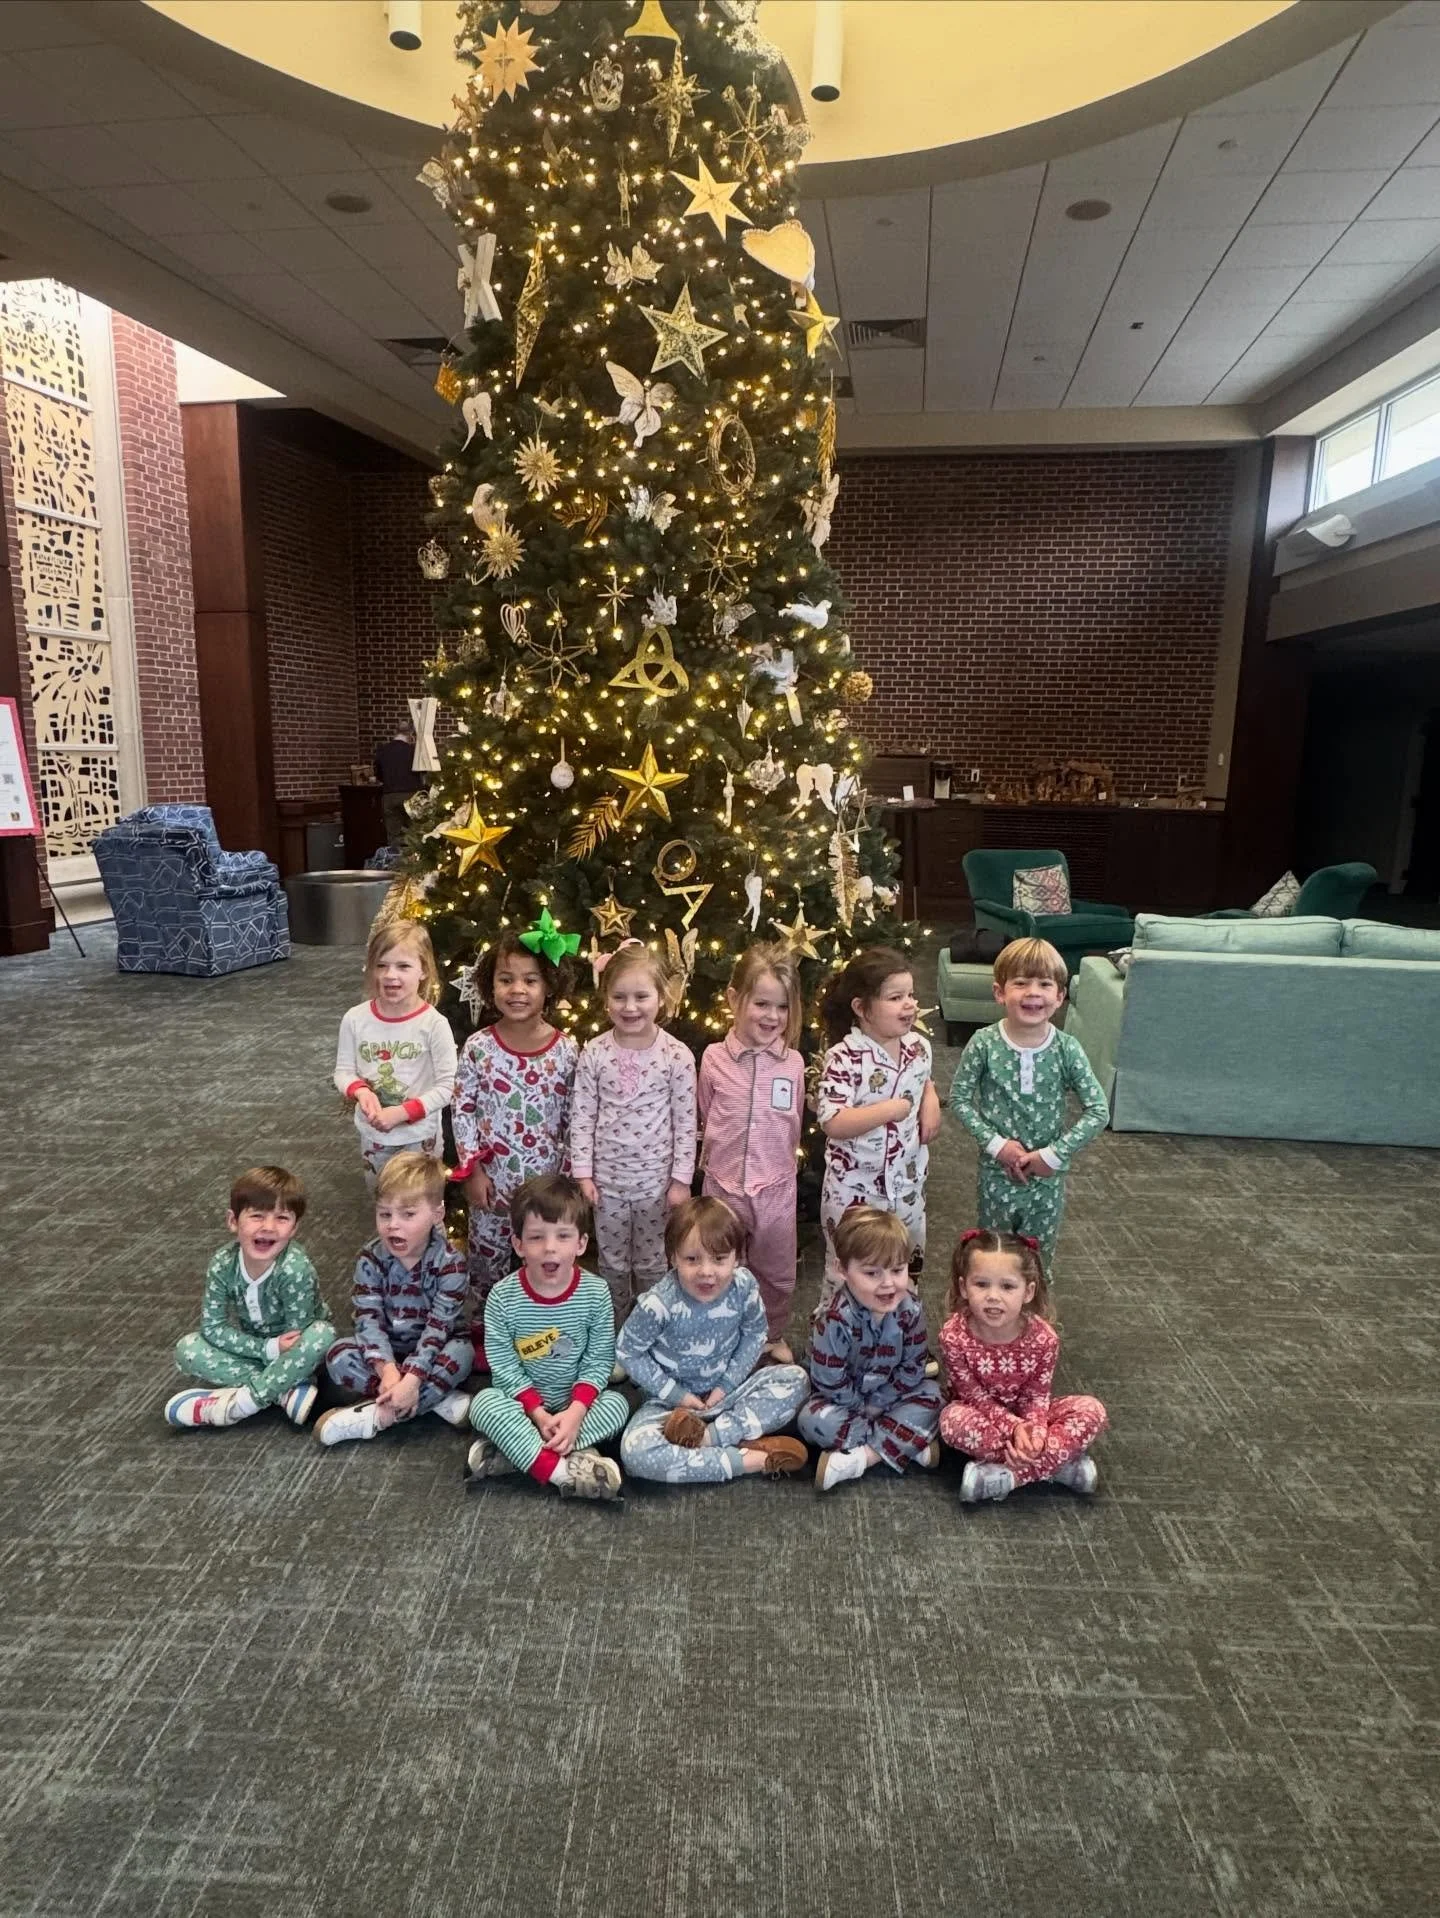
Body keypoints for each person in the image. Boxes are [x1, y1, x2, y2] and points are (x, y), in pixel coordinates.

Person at [616, 1196, 809, 1485]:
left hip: (729, 1394)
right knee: (634, 1452)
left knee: (797, 1379)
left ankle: (708, 1439)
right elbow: (627, 1351)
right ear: (673, 1258)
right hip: (670, 1409)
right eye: (692, 1259)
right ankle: (749, 1460)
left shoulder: (743, 1286)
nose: (706, 1272)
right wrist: (676, 1395)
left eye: (719, 1259)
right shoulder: (657, 1304)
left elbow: (756, 1333)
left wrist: (727, 1384)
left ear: (736, 1258)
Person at [465, 1175, 629, 1500]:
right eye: (537, 1237)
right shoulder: (502, 1298)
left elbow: (597, 1363)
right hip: (522, 1407)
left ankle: (515, 1453)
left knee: (618, 1405)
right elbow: (505, 1368)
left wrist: (576, 1413)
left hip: (577, 1404)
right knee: (483, 1405)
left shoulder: (595, 1293)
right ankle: (561, 1473)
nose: (550, 1247)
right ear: (519, 1245)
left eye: (563, 1236)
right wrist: (537, 1415)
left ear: (581, 1244)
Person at [948, 937, 1109, 1268]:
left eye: (1044, 984)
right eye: (1020, 983)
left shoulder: (1067, 1049)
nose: (1033, 992)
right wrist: (997, 1145)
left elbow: (1098, 1111)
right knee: (992, 1257)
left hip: (1046, 1180)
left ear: (1060, 996)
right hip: (996, 1175)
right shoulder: (983, 1044)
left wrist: (1053, 1154)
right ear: (1000, 992)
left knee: (1037, 1260)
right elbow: (959, 1099)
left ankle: (1035, 1320)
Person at [452, 924, 578, 1316]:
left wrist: (569, 1178)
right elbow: (463, 1108)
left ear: (548, 986)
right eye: (506, 980)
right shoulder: (479, 1047)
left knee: (546, 1258)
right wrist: (472, 1171)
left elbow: (577, 1119)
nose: (517, 990)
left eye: (529, 980)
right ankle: (485, 1329)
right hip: (492, 1186)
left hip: (546, 1186)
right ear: (491, 987)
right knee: (486, 1264)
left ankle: (543, 1323)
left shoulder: (567, 1051)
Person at [569, 942, 697, 1321]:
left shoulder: (677, 1056)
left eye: (641, 996)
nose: (630, 1007)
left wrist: (680, 1180)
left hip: (656, 1185)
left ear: (662, 997)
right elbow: (582, 1117)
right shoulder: (593, 1053)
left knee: (654, 1260)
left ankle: (652, 1325)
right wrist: (583, 1173)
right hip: (606, 1183)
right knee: (611, 1261)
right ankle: (614, 1328)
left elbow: (686, 1123)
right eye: (619, 996)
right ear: (605, 998)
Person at [938, 1227, 1108, 1503]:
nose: (993, 1296)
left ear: (1028, 1291)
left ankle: (1010, 1476)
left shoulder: (1043, 1338)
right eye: (981, 1284)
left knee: (1092, 1410)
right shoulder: (952, 1335)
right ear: (963, 1287)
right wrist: (1014, 1430)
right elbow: (972, 1396)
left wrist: (1035, 1433)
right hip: (981, 1418)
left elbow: (1037, 1397)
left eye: (1007, 1286)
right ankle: (1059, 1467)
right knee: (951, 1421)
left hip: (1031, 1418)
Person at [315, 1152, 473, 1445]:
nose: (393, 1225)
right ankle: (431, 1400)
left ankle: (379, 1416)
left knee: (462, 1354)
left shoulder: (450, 1262)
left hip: (433, 1350)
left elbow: (438, 1328)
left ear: (437, 1215)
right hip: (385, 1355)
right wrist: (387, 1371)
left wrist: (412, 1378)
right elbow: (367, 1320)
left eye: (408, 1214)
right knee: (337, 1355)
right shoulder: (370, 1258)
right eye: (384, 1214)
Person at [697, 943, 806, 1364]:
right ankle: (720, 1335)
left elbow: (793, 1121)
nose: (771, 1017)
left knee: (777, 1272)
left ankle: (771, 1333)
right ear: (733, 999)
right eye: (761, 1003)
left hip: (776, 1186)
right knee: (719, 1267)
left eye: (781, 1007)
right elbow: (707, 1115)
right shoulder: (713, 1059)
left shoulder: (793, 1064)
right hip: (722, 1185)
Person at [815, 946, 941, 1305]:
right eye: (896, 997)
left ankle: (900, 1337)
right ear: (861, 1007)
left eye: (912, 995)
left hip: (907, 1186)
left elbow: (924, 1079)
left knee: (906, 1265)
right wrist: (891, 1109)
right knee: (847, 1271)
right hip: (856, 1193)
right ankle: (834, 1343)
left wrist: (930, 1097)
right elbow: (833, 1120)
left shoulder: (919, 1047)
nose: (910, 1005)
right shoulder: (844, 1057)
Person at [165, 1166, 332, 1429]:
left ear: (295, 1227)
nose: (268, 1227)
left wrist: (279, 1352)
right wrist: (265, 1349)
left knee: (323, 1335)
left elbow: (299, 1335)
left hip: (298, 1355)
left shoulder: (294, 1267)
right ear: (233, 1221)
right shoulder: (223, 1263)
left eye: (281, 1218)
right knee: (187, 1350)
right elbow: (212, 1327)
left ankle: (242, 1403)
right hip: (256, 1350)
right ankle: (283, 1391)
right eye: (256, 1216)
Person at [799, 1205, 942, 1492]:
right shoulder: (834, 1319)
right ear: (843, 1270)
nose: (888, 1283)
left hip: (890, 1396)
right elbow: (829, 1379)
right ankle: (907, 1443)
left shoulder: (910, 1310)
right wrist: (860, 1407)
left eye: (897, 1270)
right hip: (843, 1402)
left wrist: (880, 1402)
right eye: (872, 1273)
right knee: (810, 1421)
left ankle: (863, 1457)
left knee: (936, 1398)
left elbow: (913, 1366)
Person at [333, 920, 456, 1188]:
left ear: (423, 970)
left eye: (403, 966)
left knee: (421, 1204)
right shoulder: (355, 1019)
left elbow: (448, 1087)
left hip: (420, 1137)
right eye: (382, 965)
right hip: (373, 1135)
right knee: (382, 1197)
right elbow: (343, 1072)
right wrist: (361, 1091)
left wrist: (402, 1112)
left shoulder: (433, 1024)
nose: (390, 975)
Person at [373, 718, 424, 850]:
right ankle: (413, 866)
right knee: (414, 834)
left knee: (393, 836)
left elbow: (378, 774)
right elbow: (422, 772)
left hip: (389, 795)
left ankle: (396, 865)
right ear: (410, 734)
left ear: (395, 732)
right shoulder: (413, 751)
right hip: (411, 795)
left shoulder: (383, 750)